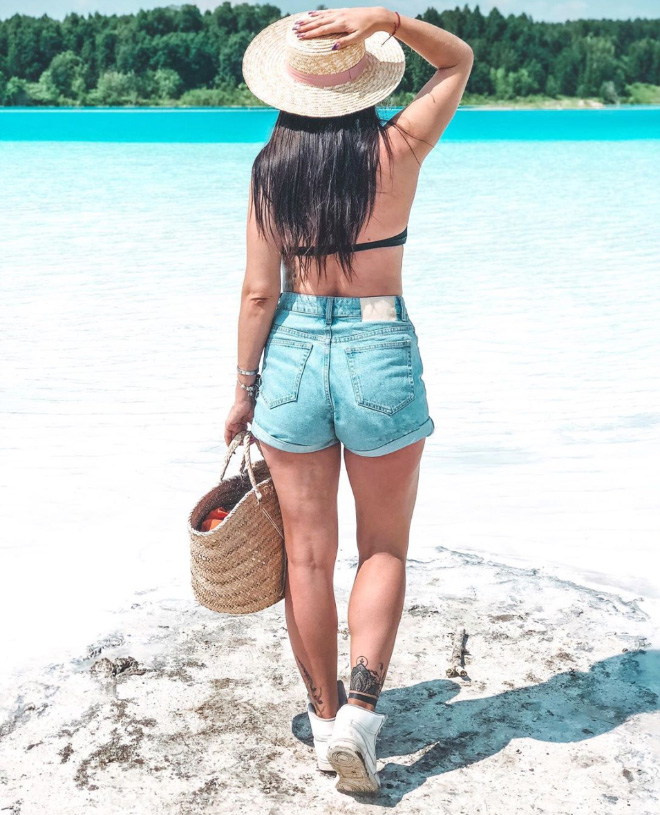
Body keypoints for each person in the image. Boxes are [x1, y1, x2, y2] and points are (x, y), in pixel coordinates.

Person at [225, 6, 473, 794]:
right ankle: (362, 718)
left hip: (292, 353)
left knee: (307, 552)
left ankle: (326, 716)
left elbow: (260, 292)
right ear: (363, 86)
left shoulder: (270, 172)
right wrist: (389, 20)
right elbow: (459, 61)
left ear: (289, 92)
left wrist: (242, 390)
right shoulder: (398, 148)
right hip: (378, 348)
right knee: (384, 548)